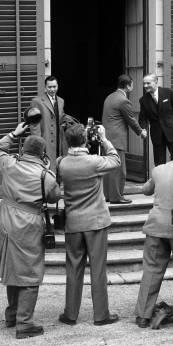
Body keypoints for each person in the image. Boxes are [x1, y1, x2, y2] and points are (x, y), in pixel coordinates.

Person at [0, 121, 61, 339]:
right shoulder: (46, 175)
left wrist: (13, 133)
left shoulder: (10, 163)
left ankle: (13, 314)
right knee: (29, 272)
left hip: (4, 217)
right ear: (42, 153)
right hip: (28, 222)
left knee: (12, 268)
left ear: (23, 149)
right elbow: (54, 196)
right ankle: (24, 324)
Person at [57, 123, 121, 326]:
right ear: (84, 141)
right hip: (96, 221)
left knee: (73, 269)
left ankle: (70, 314)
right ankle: (101, 314)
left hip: (73, 222)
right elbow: (115, 160)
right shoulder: (94, 161)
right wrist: (103, 138)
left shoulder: (61, 163)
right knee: (98, 268)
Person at [134, 141, 173, 328]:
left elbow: (146, 190)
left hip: (156, 224)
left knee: (152, 269)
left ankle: (143, 316)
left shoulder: (159, 169)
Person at [102, 74, 147, 204]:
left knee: (108, 168)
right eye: (132, 84)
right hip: (117, 139)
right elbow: (131, 119)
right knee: (119, 170)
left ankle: (108, 195)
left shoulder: (109, 97)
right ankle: (117, 197)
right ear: (128, 85)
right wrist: (141, 132)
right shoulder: (123, 100)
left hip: (107, 138)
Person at [138, 73, 173, 166]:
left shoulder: (168, 93)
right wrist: (143, 129)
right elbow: (142, 118)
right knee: (159, 163)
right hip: (157, 135)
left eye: (148, 83)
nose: (145, 86)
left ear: (155, 82)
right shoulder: (143, 100)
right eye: (144, 84)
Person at [30, 75, 67, 170]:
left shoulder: (61, 101)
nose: (52, 89)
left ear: (57, 86)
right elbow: (34, 125)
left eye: (54, 86)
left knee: (58, 167)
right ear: (45, 88)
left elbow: (61, 119)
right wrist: (38, 144)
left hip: (58, 140)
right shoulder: (37, 101)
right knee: (46, 168)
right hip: (45, 139)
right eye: (49, 87)